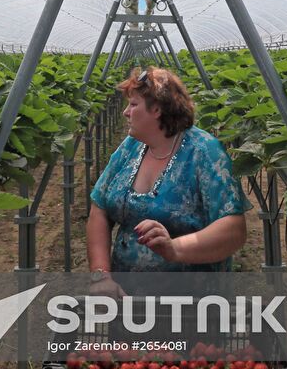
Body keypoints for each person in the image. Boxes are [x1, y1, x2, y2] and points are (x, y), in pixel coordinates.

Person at [86, 66, 251, 296]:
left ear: (156, 109)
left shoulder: (204, 152)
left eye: (133, 105)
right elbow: (99, 208)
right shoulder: (131, 147)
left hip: (192, 308)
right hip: (126, 301)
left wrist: (175, 249)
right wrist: (101, 275)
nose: (125, 112)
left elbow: (233, 230)